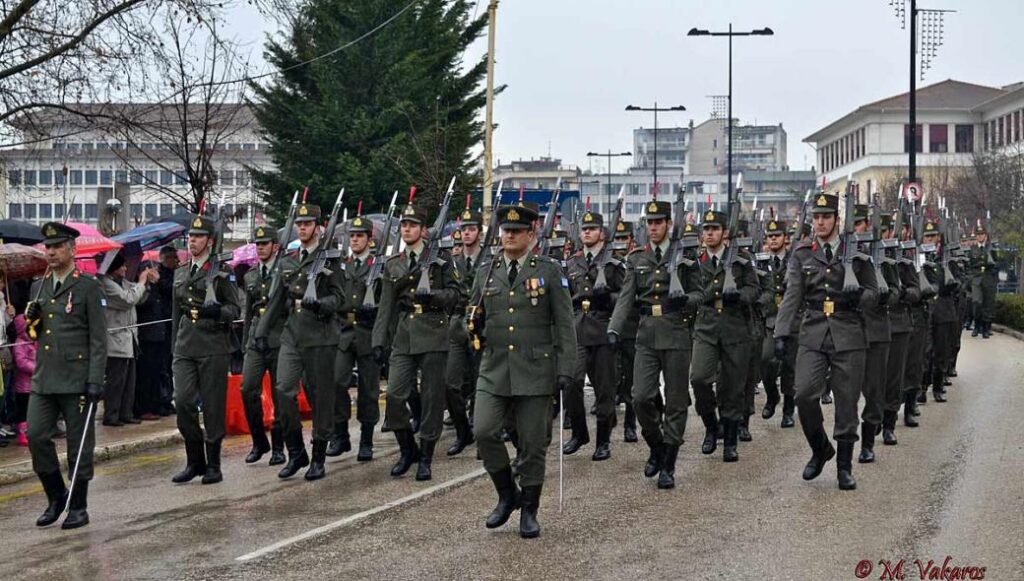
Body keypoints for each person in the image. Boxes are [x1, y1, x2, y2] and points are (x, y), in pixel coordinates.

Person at [467, 204, 576, 538]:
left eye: (516, 231)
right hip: (495, 367)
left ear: (531, 234)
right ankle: (507, 494)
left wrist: (566, 368)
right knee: (484, 430)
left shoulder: (549, 271)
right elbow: (469, 316)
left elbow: (565, 324)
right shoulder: (487, 271)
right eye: (506, 231)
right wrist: (470, 326)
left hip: (535, 368)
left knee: (532, 443)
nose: (509, 236)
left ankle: (529, 509)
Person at [773, 192, 878, 491]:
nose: (820, 222)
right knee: (804, 394)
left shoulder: (857, 253)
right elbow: (792, 296)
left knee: (846, 402)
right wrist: (781, 332)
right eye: (816, 217)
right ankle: (820, 449)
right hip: (814, 331)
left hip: (849, 331)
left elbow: (874, 293)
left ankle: (844, 467)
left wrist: (860, 297)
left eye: (826, 217)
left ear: (836, 219)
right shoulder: (802, 254)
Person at [609, 200, 703, 489]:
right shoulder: (637, 258)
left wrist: (685, 300)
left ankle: (669, 463)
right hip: (647, 334)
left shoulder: (685, 256)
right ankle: (656, 446)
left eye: (658, 222)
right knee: (640, 397)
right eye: (649, 223)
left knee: (676, 401)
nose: (653, 227)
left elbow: (700, 294)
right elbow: (626, 297)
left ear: (668, 224)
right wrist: (614, 327)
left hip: (676, 332)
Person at [24, 222, 107, 529]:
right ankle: (56, 495)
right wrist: (31, 321)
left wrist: (96, 379)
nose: (51, 252)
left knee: (78, 445)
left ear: (72, 249)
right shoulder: (39, 286)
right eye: (48, 247)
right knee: (36, 435)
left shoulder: (87, 286)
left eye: (57, 246)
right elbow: (36, 335)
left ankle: (79, 506)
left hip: (77, 377)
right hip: (45, 376)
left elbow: (99, 338)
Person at [255, 203, 346, 481]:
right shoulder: (289, 260)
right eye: (300, 224)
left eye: (307, 224)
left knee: (320, 397)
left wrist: (320, 304)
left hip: (320, 335)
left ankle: (318, 456)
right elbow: (276, 300)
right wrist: (261, 331)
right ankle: (296, 452)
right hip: (292, 334)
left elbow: (340, 299)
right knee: (283, 390)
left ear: (318, 227)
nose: (303, 228)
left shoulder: (329, 259)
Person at [372, 202, 459, 481]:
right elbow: (386, 306)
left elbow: (456, 294)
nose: (406, 229)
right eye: (404, 225)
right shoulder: (394, 263)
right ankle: (407, 448)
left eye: (412, 225)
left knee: (432, 398)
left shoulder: (440, 260)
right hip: (404, 335)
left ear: (423, 230)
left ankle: (426, 456)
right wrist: (378, 341)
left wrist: (433, 297)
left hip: (433, 331)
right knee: (395, 396)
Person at [170, 215, 241, 485]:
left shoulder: (222, 272)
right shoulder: (181, 272)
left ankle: (213, 464)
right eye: (190, 236)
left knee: (212, 406)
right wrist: (174, 347)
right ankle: (194, 460)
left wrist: (218, 312)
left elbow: (235, 310)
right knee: (183, 402)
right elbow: (176, 313)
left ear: (210, 241)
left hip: (213, 344)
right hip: (185, 345)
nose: (192, 241)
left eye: (198, 237)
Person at [690, 209, 760, 463]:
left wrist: (740, 297)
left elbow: (754, 289)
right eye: (706, 229)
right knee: (699, 378)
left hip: (735, 327)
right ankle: (711, 426)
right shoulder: (695, 261)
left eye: (715, 229)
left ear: (725, 233)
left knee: (733, 387)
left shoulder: (742, 259)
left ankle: (730, 441)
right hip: (706, 326)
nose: (709, 234)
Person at [563, 210, 625, 461]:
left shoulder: (613, 263)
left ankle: (603, 441)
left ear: (602, 233)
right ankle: (579, 433)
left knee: (604, 389)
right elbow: (565, 297)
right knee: (570, 381)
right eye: (584, 229)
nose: (587, 232)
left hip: (603, 327)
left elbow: (625, 297)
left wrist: (608, 296)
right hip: (578, 328)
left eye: (592, 229)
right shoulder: (572, 263)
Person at [332, 213, 383, 461]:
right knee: (337, 381)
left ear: (369, 239)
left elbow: (386, 302)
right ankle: (341, 434)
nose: (354, 240)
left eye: (359, 236)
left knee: (368, 389)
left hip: (368, 331)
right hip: (344, 332)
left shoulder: (378, 266)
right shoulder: (343, 265)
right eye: (352, 236)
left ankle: (366, 440)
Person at [239, 226, 287, 466]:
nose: (260, 247)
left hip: (279, 337)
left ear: (275, 246)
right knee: (247, 388)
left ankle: (279, 446)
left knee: (280, 395)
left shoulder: (285, 271)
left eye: (264, 243)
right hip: (256, 339)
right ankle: (259, 441)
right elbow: (249, 311)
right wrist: (245, 341)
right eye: (257, 244)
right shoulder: (251, 275)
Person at [444, 206, 484, 456]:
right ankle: (462, 431)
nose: (466, 233)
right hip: (457, 323)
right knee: (450, 384)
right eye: (464, 229)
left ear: (480, 233)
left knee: (481, 383)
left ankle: (480, 432)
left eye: (471, 229)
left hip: (481, 324)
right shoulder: (453, 262)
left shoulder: (489, 260)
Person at [98, 252, 154, 427]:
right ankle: (111, 415)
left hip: (129, 338)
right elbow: (128, 299)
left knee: (129, 381)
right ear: (114, 268)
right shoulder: (106, 284)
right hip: (115, 339)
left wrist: (146, 284)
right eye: (122, 265)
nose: (125, 268)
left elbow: (139, 297)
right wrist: (141, 283)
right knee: (116, 381)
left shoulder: (123, 282)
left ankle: (126, 412)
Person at [759, 218, 796, 428]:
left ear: (785, 238)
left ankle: (788, 410)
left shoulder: (794, 260)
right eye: (770, 236)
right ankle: (772, 396)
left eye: (777, 236)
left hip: (791, 319)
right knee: (765, 360)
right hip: (769, 319)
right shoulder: (761, 262)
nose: (773, 239)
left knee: (790, 366)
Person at [610, 221, 639, 443]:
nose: (620, 243)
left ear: (631, 240)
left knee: (631, 379)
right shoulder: (608, 262)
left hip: (631, 327)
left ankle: (630, 424)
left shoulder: (635, 261)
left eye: (624, 238)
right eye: (617, 239)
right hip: (608, 327)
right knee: (609, 379)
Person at [12, 313, 36, 447]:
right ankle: (22, 433)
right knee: (23, 411)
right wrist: (37, 368)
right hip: (24, 386)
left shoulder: (35, 340)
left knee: (33, 410)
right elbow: (21, 362)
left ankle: (32, 432)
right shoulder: (20, 343)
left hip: (36, 384)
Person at [969, 226, 997, 338]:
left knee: (988, 304)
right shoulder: (972, 249)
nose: (980, 236)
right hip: (976, 279)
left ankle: (985, 328)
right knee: (977, 303)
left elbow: (997, 263)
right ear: (976, 236)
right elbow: (969, 265)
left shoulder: (991, 248)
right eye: (978, 234)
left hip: (988, 278)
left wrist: (993, 274)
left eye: (982, 234)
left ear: (985, 235)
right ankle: (976, 326)